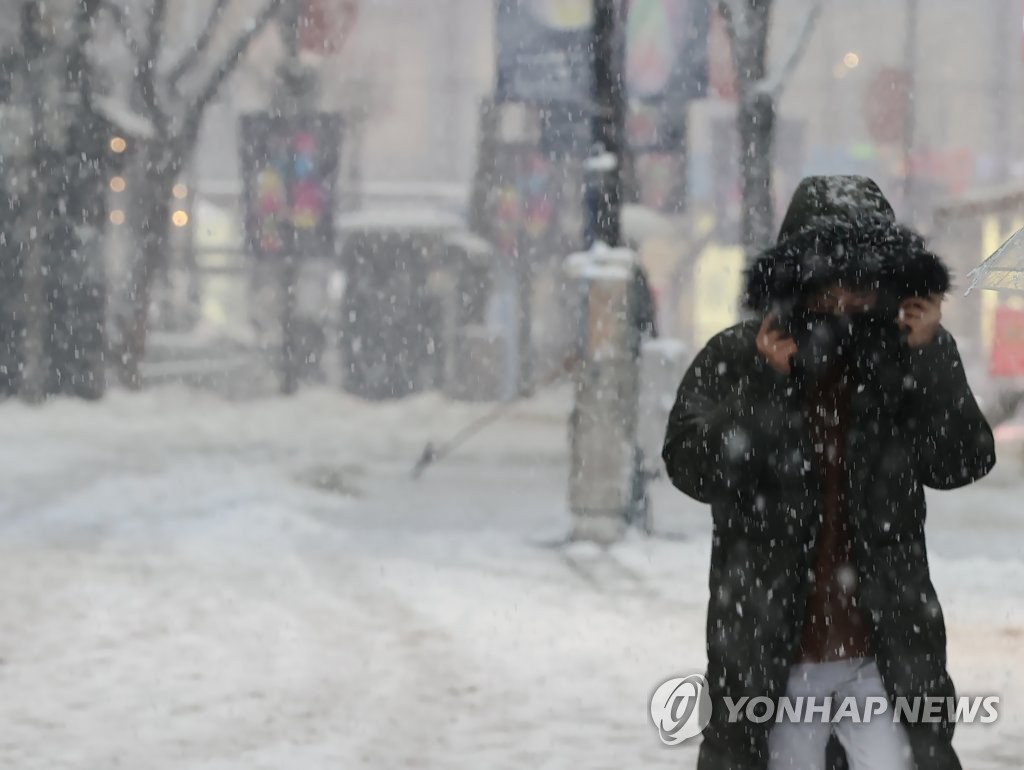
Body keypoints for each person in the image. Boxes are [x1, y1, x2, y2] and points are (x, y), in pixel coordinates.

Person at [662, 176, 995, 770]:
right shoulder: (742, 353)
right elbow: (692, 468)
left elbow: (961, 462)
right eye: (830, 276)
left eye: (864, 278)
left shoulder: (908, 353)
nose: (846, 295)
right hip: (771, 653)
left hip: (886, 650)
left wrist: (929, 356)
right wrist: (765, 385)